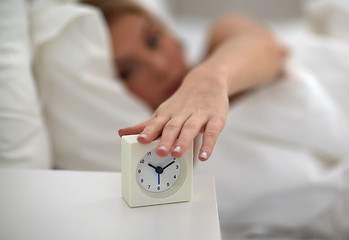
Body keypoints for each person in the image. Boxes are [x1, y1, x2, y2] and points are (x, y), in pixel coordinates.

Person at [83, 0, 286, 161]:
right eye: (128, 70)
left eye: (153, 40)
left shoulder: (221, 38)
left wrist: (209, 80)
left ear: (171, 35)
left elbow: (268, 47)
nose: (160, 67)